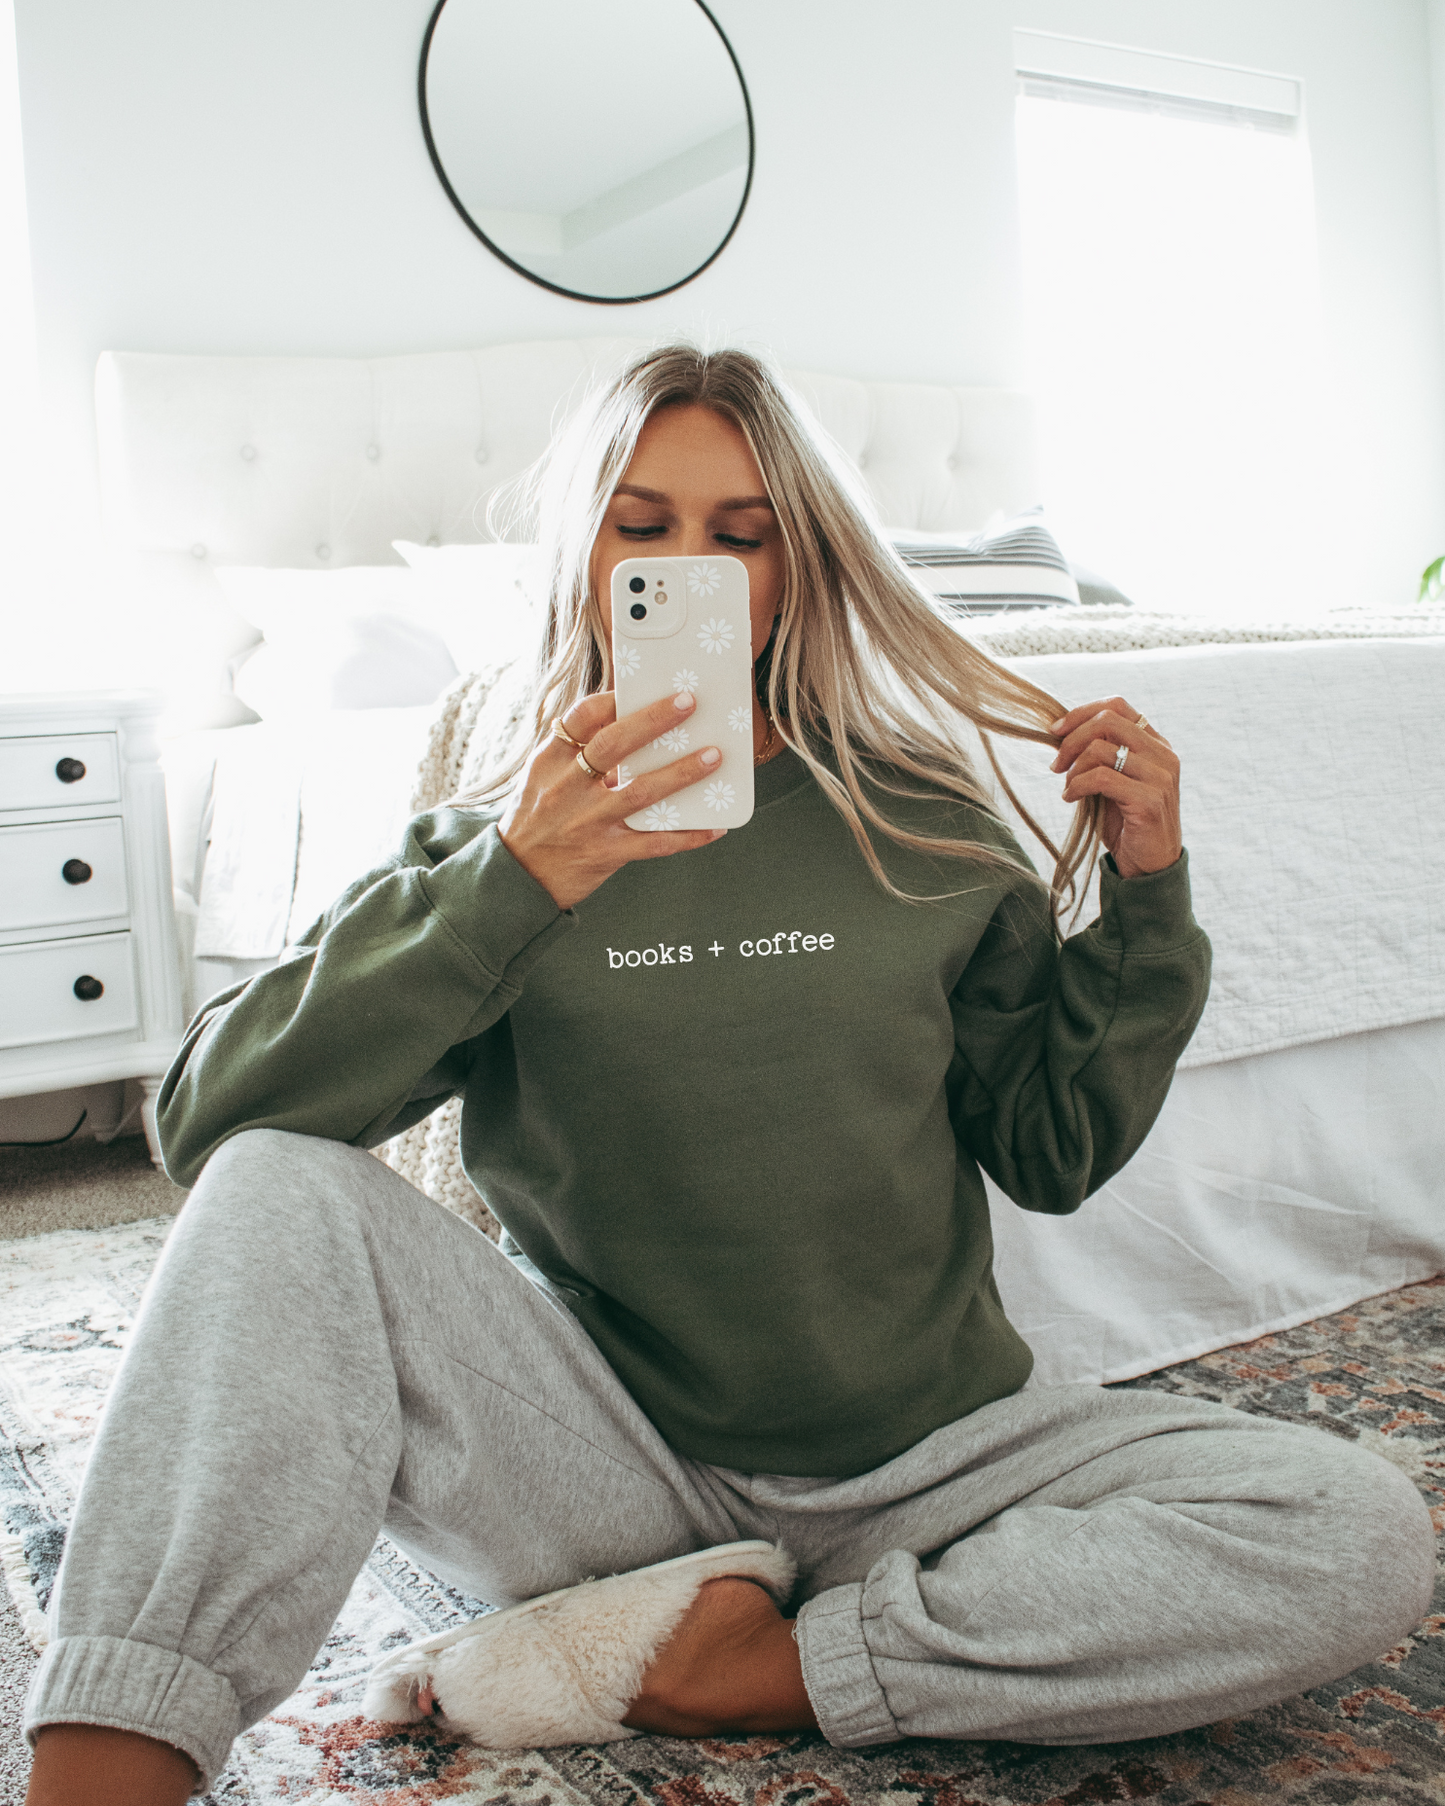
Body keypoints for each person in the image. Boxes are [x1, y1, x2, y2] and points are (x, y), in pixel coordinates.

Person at [24, 348, 1433, 1805]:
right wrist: (515, 883)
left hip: (935, 1467)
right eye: (643, 529)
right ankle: (104, 1769)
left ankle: (757, 1665)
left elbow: (1050, 1147)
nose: (689, 570)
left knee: (1359, 1526)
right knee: (277, 1187)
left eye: (740, 535)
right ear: (583, 559)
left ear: (799, 566)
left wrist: (1145, 898)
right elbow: (212, 1133)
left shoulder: (923, 817)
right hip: (605, 1472)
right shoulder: (496, 842)